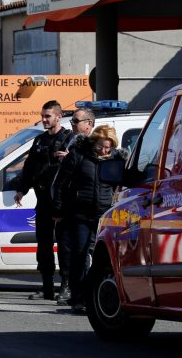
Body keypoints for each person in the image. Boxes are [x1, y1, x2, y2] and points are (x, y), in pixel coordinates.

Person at [51, 124, 126, 312]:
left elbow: (123, 183)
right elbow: (60, 183)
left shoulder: (116, 160)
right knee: (80, 255)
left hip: (105, 214)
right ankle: (78, 298)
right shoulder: (79, 155)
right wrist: (58, 209)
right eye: (101, 146)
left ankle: (95, 295)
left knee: (103, 257)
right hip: (80, 213)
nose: (104, 150)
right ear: (94, 142)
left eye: (108, 147)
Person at [14, 100, 74, 301]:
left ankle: (66, 287)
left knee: (64, 246)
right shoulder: (39, 140)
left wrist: (68, 158)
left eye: (47, 116)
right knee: (44, 245)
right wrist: (21, 189)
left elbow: (79, 167)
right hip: (43, 201)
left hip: (62, 202)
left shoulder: (69, 139)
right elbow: (30, 167)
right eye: (42, 116)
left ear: (59, 116)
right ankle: (47, 287)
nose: (43, 120)